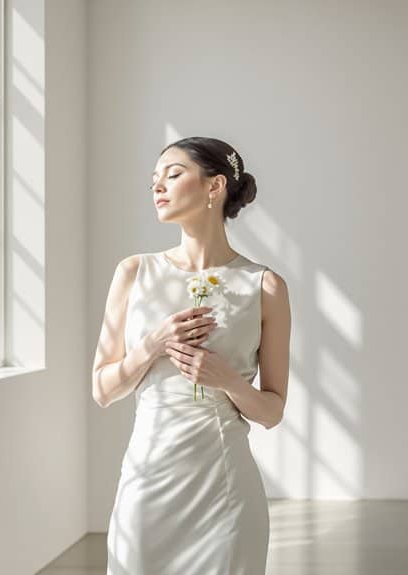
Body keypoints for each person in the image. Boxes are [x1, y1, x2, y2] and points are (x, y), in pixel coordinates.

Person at [92, 136, 292, 574]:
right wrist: (152, 344)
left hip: (224, 487)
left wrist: (227, 380)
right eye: (154, 180)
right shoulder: (134, 273)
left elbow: (272, 412)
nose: (158, 186)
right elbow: (102, 390)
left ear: (215, 186)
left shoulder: (264, 286)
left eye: (173, 174)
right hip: (148, 479)